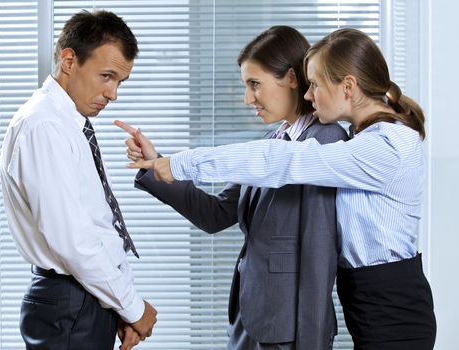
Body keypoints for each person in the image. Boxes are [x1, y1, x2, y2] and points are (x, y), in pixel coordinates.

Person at [131, 28, 437, 350]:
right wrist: (156, 169)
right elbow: (219, 211)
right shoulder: (351, 141)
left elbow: (314, 242)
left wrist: (180, 162)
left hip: (389, 305)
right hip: (358, 303)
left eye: (315, 84)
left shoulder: (379, 146)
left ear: (348, 86)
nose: (309, 93)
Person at [117, 26, 348, 350]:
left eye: (255, 84)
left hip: (289, 331)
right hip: (250, 319)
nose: (247, 98)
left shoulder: (325, 141)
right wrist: (156, 165)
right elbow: (215, 214)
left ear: (292, 79)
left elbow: (318, 256)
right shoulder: (272, 142)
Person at [0, 10, 157, 350]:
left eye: (119, 82)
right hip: (70, 302)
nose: (113, 93)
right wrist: (132, 307)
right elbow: (72, 240)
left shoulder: (67, 123)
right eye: (106, 76)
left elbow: (99, 224)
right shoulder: (45, 126)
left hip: (84, 299)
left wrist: (122, 305)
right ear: (69, 60)